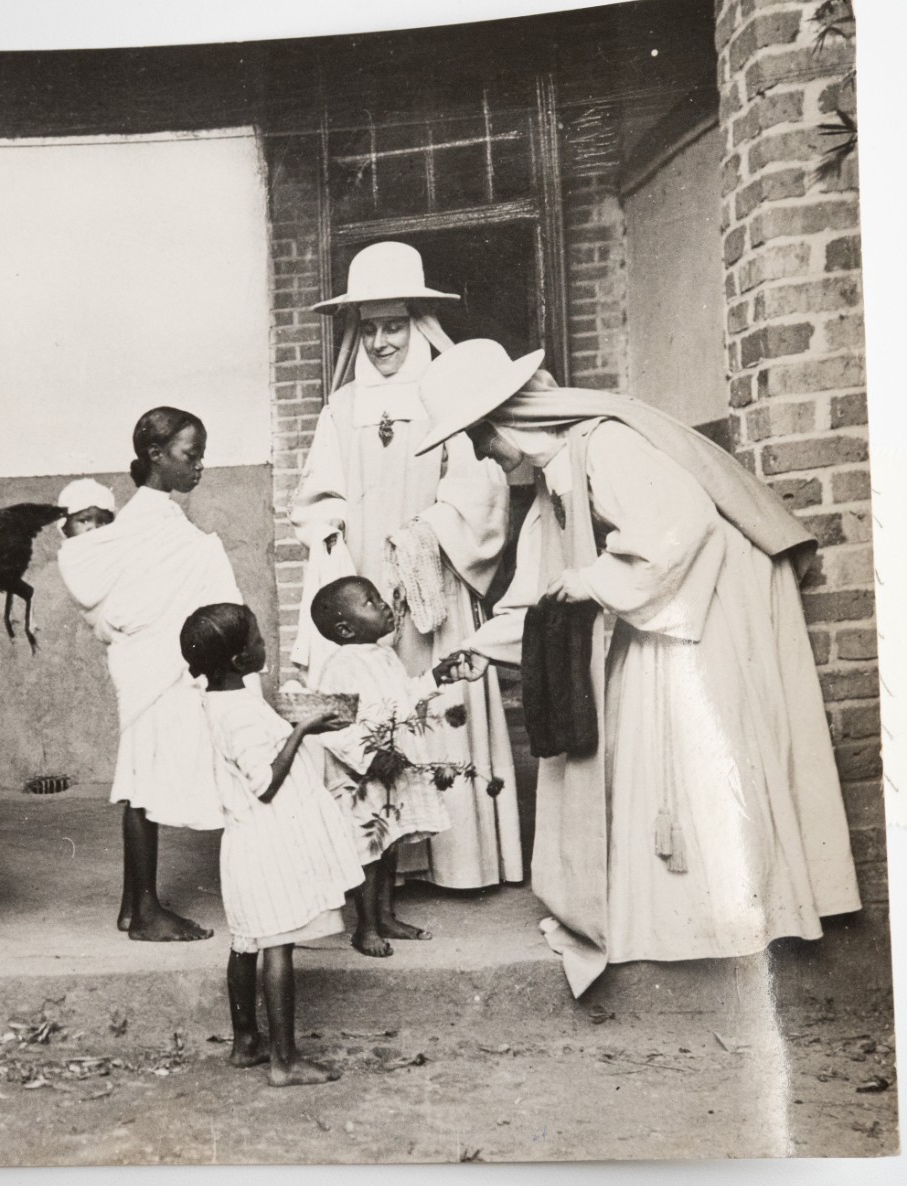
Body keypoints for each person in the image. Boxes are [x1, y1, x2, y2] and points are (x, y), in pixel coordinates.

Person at [413, 338, 863, 996]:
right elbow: (543, 586)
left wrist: (594, 581)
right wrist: (480, 648)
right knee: (641, 751)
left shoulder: (606, 445)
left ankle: (713, 924)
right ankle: (659, 921)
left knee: (683, 752)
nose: (482, 452)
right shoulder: (556, 472)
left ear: (509, 418)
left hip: (703, 601)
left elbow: (680, 526)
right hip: (659, 600)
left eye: (480, 435)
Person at [290, 240, 521, 894]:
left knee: (435, 704)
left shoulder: (447, 395)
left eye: (394, 326)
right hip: (363, 588)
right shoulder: (341, 408)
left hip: (431, 582)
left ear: (418, 324)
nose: (381, 342)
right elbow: (318, 494)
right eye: (369, 329)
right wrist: (332, 534)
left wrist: (424, 535)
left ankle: (456, 862)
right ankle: (379, 867)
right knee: (372, 715)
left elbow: (481, 491)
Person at [57, 408, 242, 941]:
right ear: (156, 456)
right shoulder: (143, 522)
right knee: (142, 783)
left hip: (154, 662)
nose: (200, 465)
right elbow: (113, 596)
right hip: (151, 665)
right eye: (191, 454)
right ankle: (145, 913)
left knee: (142, 777)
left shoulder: (162, 520)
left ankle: (131, 905)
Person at [180, 602, 363, 1086]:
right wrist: (303, 730)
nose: (265, 645)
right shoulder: (238, 713)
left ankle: (246, 1043)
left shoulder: (223, 697)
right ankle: (285, 1061)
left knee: (246, 943)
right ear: (239, 659)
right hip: (268, 844)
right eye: (258, 640)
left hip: (248, 843)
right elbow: (264, 784)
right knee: (278, 945)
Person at [308, 575, 489, 957]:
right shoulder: (340, 666)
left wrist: (436, 677)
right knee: (369, 849)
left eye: (379, 597)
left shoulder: (384, 655)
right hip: (362, 776)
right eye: (371, 602)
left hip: (392, 767)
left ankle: (386, 915)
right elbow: (332, 726)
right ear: (345, 629)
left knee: (388, 843)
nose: (384, 605)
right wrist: (369, 756)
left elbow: (404, 698)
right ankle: (366, 928)